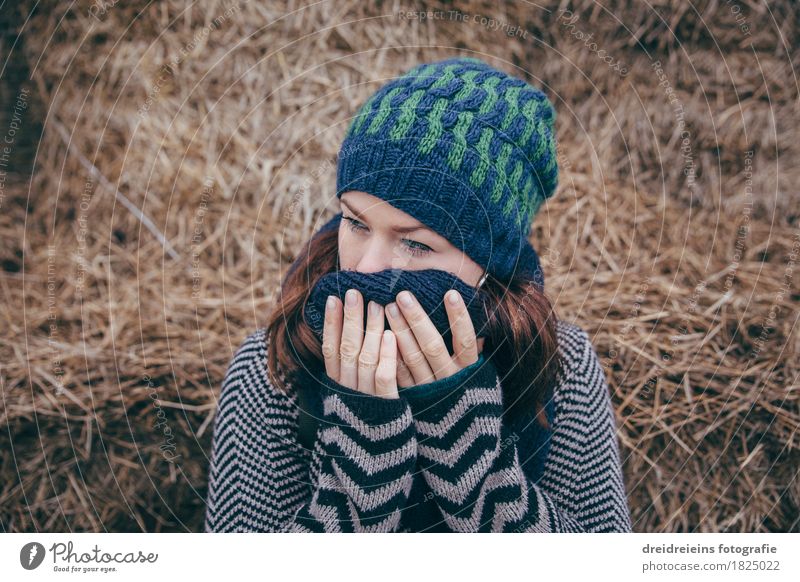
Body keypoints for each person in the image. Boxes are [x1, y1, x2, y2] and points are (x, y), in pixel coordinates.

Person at [203, 56, 632, 533]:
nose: (367, 267)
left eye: (416, 243)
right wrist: (357, 484)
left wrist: (479, 475)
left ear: (490, 262)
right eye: (357, 223)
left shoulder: (562, 367)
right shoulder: (277, 365)